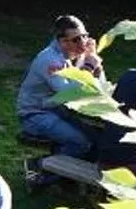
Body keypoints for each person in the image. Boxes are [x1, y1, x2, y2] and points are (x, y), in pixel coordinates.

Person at [14, 15, 104, 154]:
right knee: (82, 143)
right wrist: (89, 67)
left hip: (57, 110)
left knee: (99, 138)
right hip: (36, 115)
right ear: (62, 41)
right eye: (76, 39)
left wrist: (96, 67)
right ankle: (45, 166)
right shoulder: (50, 60)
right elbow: (70, 94)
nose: (83, 43)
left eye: (84, 36)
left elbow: (95, 88)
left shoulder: (70, 55)